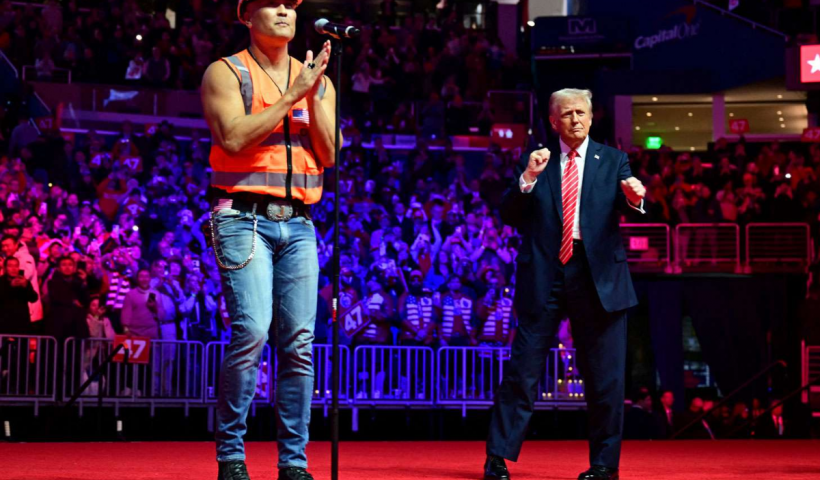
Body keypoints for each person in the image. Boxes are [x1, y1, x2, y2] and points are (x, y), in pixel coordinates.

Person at [200, 0, 338, 478]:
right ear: (244, 15)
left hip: (300, 222)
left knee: (300, 343)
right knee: (253, 330)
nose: (284, 11)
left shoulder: (317, 77)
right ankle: (232, 455)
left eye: (291, 5)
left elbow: (328, 152)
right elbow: (233, 139)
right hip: (242, 217)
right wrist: (291, 96)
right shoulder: (225, 72)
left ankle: (293, 462)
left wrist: (314, 93)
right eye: (271, 3)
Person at [485, 88, 646, 480]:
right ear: (553, 121)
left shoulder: (613, 160)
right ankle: (497, 459)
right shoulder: (537, 159)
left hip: (599, 278)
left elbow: (631, 204)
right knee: (522, 372)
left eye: (582, 112)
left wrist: (636, 198)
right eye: (567, 114)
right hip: (546, 276)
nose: (576, 119)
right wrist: (527, 179)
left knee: (606, 379)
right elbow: (509, 213)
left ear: (592, 118)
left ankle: (604, 466)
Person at [0, 256, 39, 335]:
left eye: (16, 266)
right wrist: (10, 287)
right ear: (5, 268)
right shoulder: (1, 281)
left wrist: (26, 287)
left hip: (22, 322)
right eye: (10, 266)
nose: (14, 269)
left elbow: (34, 298)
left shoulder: (23, 281)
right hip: (4, 322)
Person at [120, 269, 163, 339]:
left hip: (152, 335)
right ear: (137, 279)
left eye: (146, 276)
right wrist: (126, 330)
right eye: (141, 276)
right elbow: (125, 315)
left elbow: (162, 316)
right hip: (134, 335)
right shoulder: (131, 294)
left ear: (150, 279)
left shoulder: (156, 293)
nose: (144, 279)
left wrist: (155, 308)